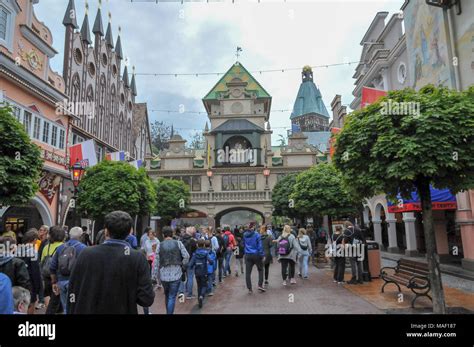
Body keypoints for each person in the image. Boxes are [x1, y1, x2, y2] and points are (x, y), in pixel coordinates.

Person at [68, 211, 155, 314]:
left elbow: (73, 289)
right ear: (130, 232)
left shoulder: (86, 254)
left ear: (106, 231)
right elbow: (146, 299)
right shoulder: (137, 258)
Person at [50, 227, 87, 314]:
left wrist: (54, 282)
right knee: (76, 308)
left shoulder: (60, 247)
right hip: (76, 283)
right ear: (81, 236)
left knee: (66, 307)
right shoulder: (84, 248)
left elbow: (52, 267)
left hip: (62, 281)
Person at [155, 226, 189, 314]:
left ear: (163, 235)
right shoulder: (178, 243)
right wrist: (182, 264)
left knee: (167, 296)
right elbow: (186, 256)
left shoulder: (160, 245)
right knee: (172, 297)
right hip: (176, 274)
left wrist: (154, 276)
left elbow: (156, 262)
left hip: (163, 275)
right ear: (172, 233)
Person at [40, 226, 65, 314]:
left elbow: (42, 260)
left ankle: (48, 309)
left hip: (46, 275)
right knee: (57, 298)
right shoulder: (64, 247)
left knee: (47, 294)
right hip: (57, 276)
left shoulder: (46, 247)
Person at [18, 230, 42, 314]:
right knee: (30, 306)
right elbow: (35, 272)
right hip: (30, 283)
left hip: (19, 282)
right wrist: (38, 287)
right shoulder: (33, 252)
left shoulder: (18, 249)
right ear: (34, 239)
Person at [187, 239, 213, 308]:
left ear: (197, 245)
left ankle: (199, 300)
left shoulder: (195, 254)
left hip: (197, 272)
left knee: (199, 286)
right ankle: (201, 296)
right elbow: (211, 261)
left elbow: (190, 264)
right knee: (204, 285)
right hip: (204, 271)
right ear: (204, 245)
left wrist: (191, 267)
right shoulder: (206, 253)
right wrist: (210, 262)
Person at [243, 223, 265, 293]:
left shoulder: (244, 235)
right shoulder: (257, 235)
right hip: (256, 254)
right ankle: (260, 285)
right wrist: (262, 255)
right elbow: (260, 246)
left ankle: (250, 289)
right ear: (253, 227)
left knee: (248, 273)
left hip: (248, 254)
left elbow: (243, 244)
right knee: (260, 270)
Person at [178, 226, 197, 300]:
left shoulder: (180, 239)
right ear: (191, 233)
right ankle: (189, 294)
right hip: (190, 261)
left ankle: (181, 295)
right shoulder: (193, 241)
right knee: (190, 278)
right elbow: (195, 251)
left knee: (181, 278)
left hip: (182, 261)